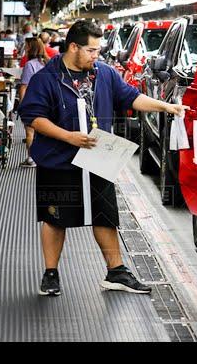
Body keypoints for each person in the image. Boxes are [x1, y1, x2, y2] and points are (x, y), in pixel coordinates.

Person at [17, 20, 188, 297]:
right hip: (58, 158)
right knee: (55, 217)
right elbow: (33, 117)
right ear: (74, 47)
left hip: (98, 157)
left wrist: (166, 106)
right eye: (92, 50)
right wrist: (68, 137)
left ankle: (116, 271)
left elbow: (131, 98)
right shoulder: (47, 78)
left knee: (105, 214)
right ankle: (51, 273)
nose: (96, 56)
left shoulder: (104, 74)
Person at [18, 37, 50, 168]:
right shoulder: (48, 63)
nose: (25, 49)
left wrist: (22, 105)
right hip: (48, 102)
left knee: (30, 132)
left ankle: (31, 159)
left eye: (26, 46)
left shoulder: (30, 64)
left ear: (31, 48)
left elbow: (24, 86)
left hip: (33, 102)